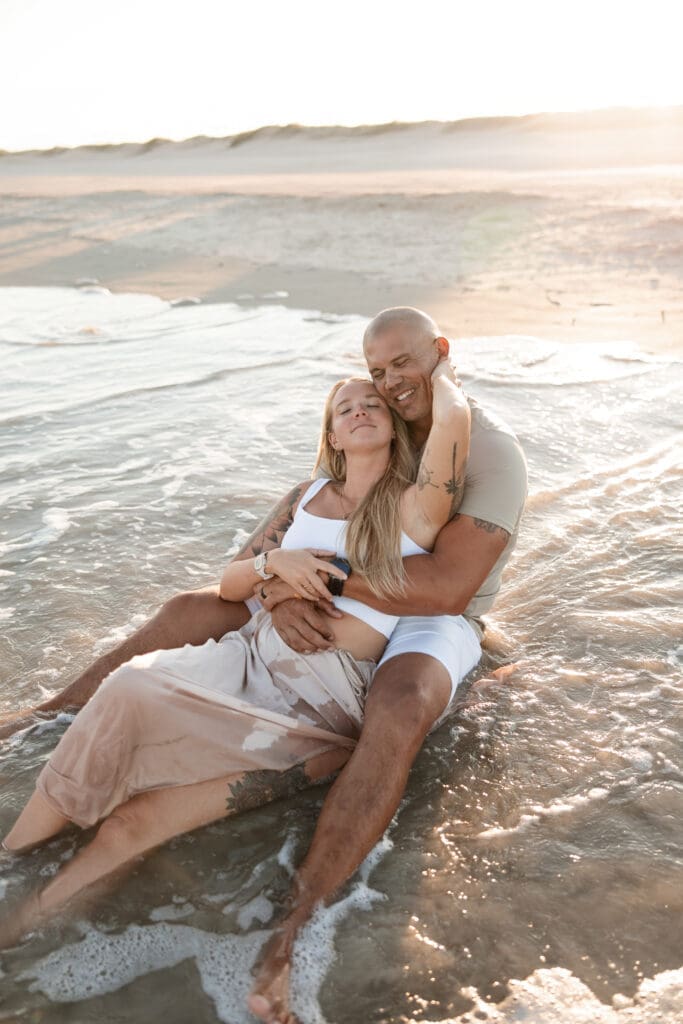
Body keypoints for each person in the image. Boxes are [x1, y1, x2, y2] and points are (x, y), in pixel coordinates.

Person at [2, 308, 527, 1024]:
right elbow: (250, 567)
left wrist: (305, 580)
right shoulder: (332, 470)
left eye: (400, 369)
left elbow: (443, 587)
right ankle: (41, 740)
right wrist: (275, 583)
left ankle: (293, 927)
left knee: (399, 704)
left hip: (436, 609)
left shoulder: (475, 457)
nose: (383, 389)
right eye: (372, 377)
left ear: (438, 354)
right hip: (302, 620)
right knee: (177, 625)